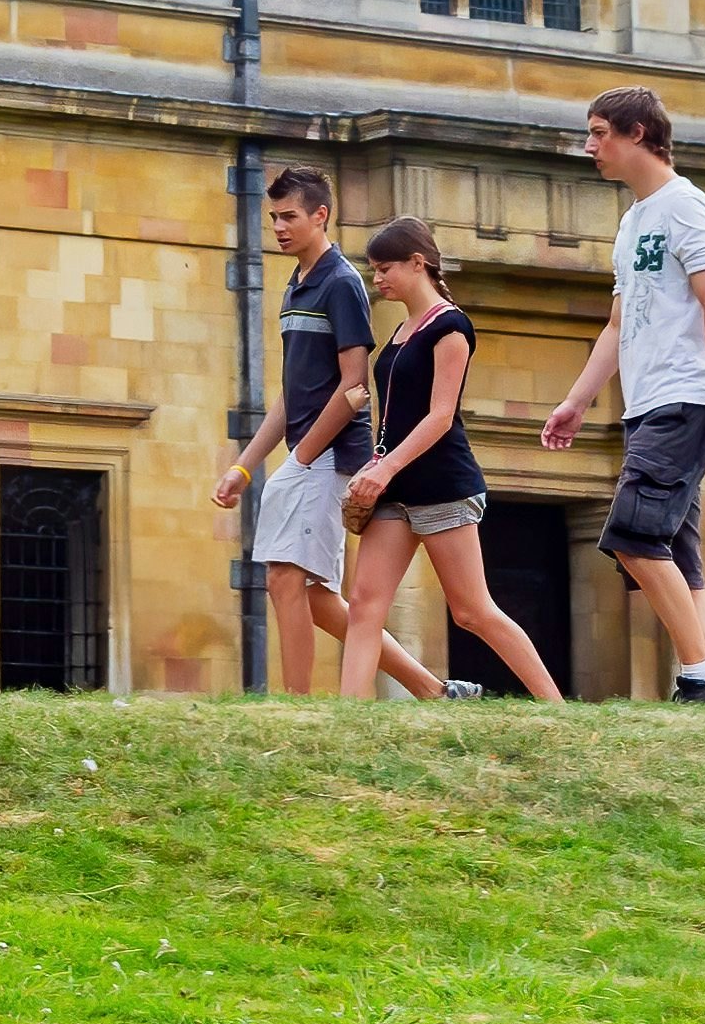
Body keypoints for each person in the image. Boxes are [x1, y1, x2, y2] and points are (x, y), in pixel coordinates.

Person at [539, 86, 705, 702]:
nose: (589, 147)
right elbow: (618, 324)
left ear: (637, 134)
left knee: (631, 535)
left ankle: (703, 677)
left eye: (600, 132)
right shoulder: (633, 221)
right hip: (645, 403)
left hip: (686, 399)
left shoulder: (688, 207)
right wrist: (577, 400)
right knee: (678, 552)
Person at [213, 168, 456, 701]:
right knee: (317, 597)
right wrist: (244, 465)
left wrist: (301, 457)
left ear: (320, 215)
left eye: (289, 216)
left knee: (284, 579)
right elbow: (291, 397)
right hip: (306, 457)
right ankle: (434, 690)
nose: (278, 227)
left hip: (329, 457)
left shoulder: (342, 282)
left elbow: (353, 389)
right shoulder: (295, 283)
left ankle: (297, 708)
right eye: (273, 217)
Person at [336, 218, 566, 702]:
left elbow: (441, 417)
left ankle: (556, 707)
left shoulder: (452, 326)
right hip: (393, 491)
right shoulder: (400, 329)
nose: (377, 279)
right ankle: (348, 718)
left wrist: (386, 467)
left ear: (417, 263)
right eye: (374, 269)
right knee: (364, 605)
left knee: (471, 610)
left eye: (385, 268)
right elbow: (395, 415)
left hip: (443, 485)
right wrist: (376, 463)